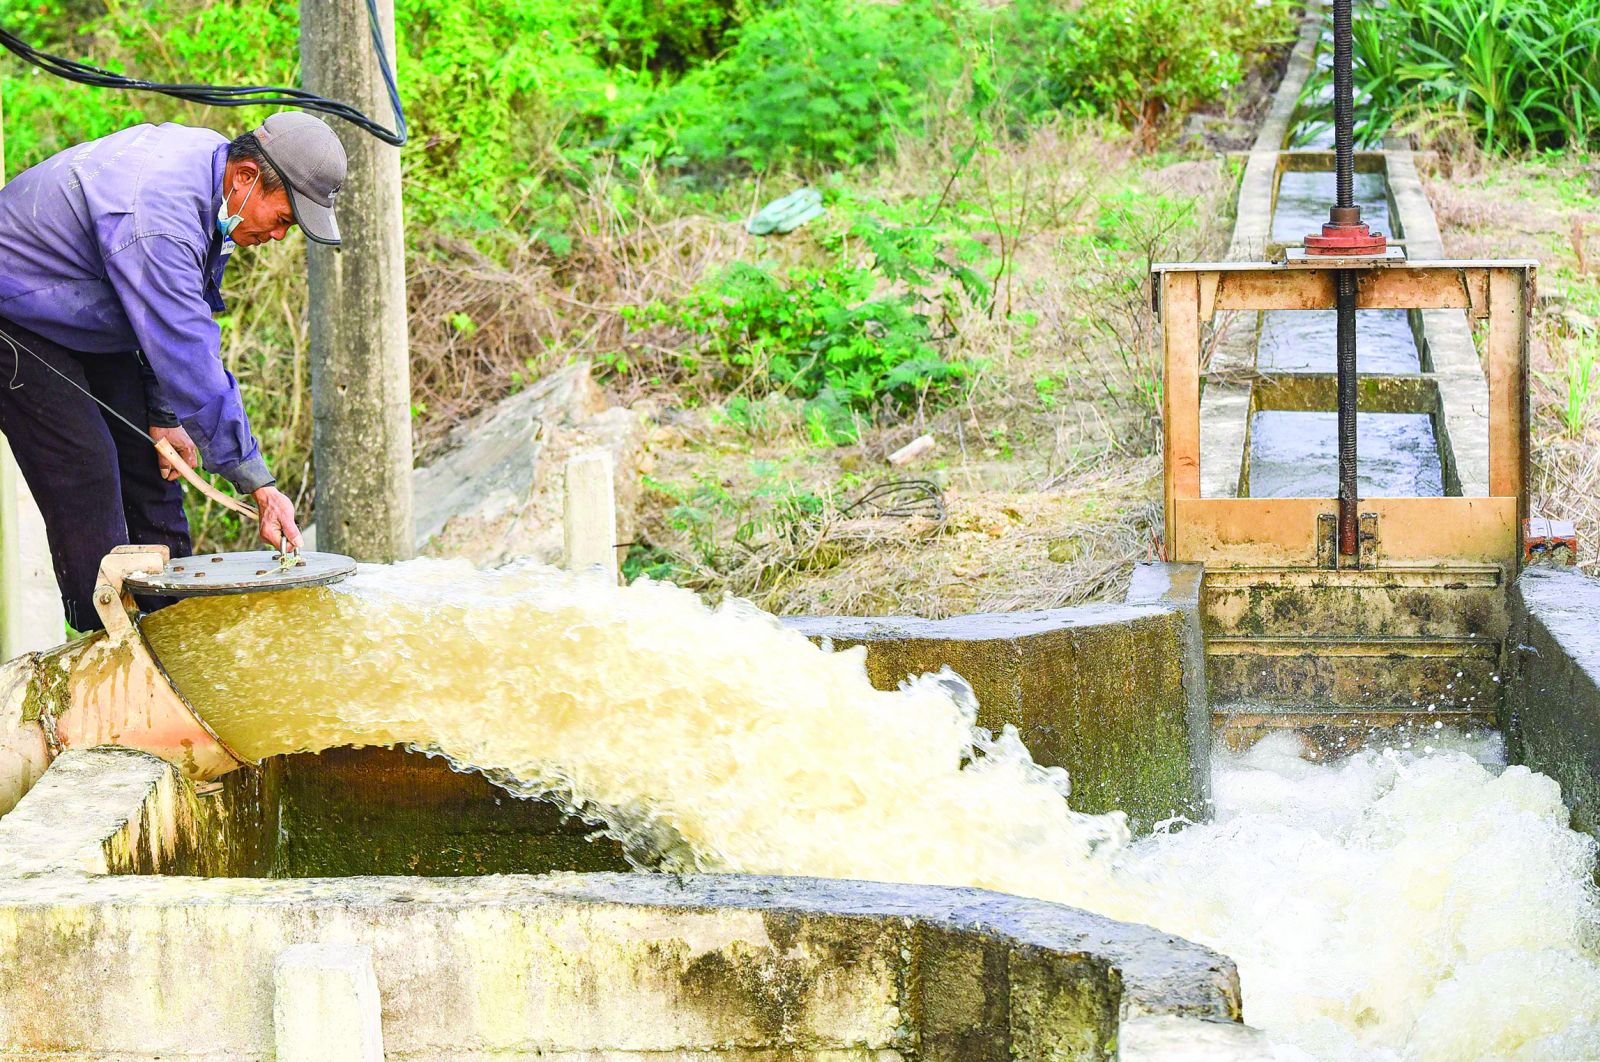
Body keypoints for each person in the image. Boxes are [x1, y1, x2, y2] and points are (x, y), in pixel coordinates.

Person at [0, 111, 345, 631]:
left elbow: (187, 304)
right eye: (283, 219)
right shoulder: (160, 215)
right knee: (88, 463)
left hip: (83, 309)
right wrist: (257, 482)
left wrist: (163, 412)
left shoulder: (216, 175)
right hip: (15, 306)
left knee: (154, 456)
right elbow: (186, 351)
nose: (279, 235)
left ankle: (178, 630)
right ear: (248, 176)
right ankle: (105, 642)